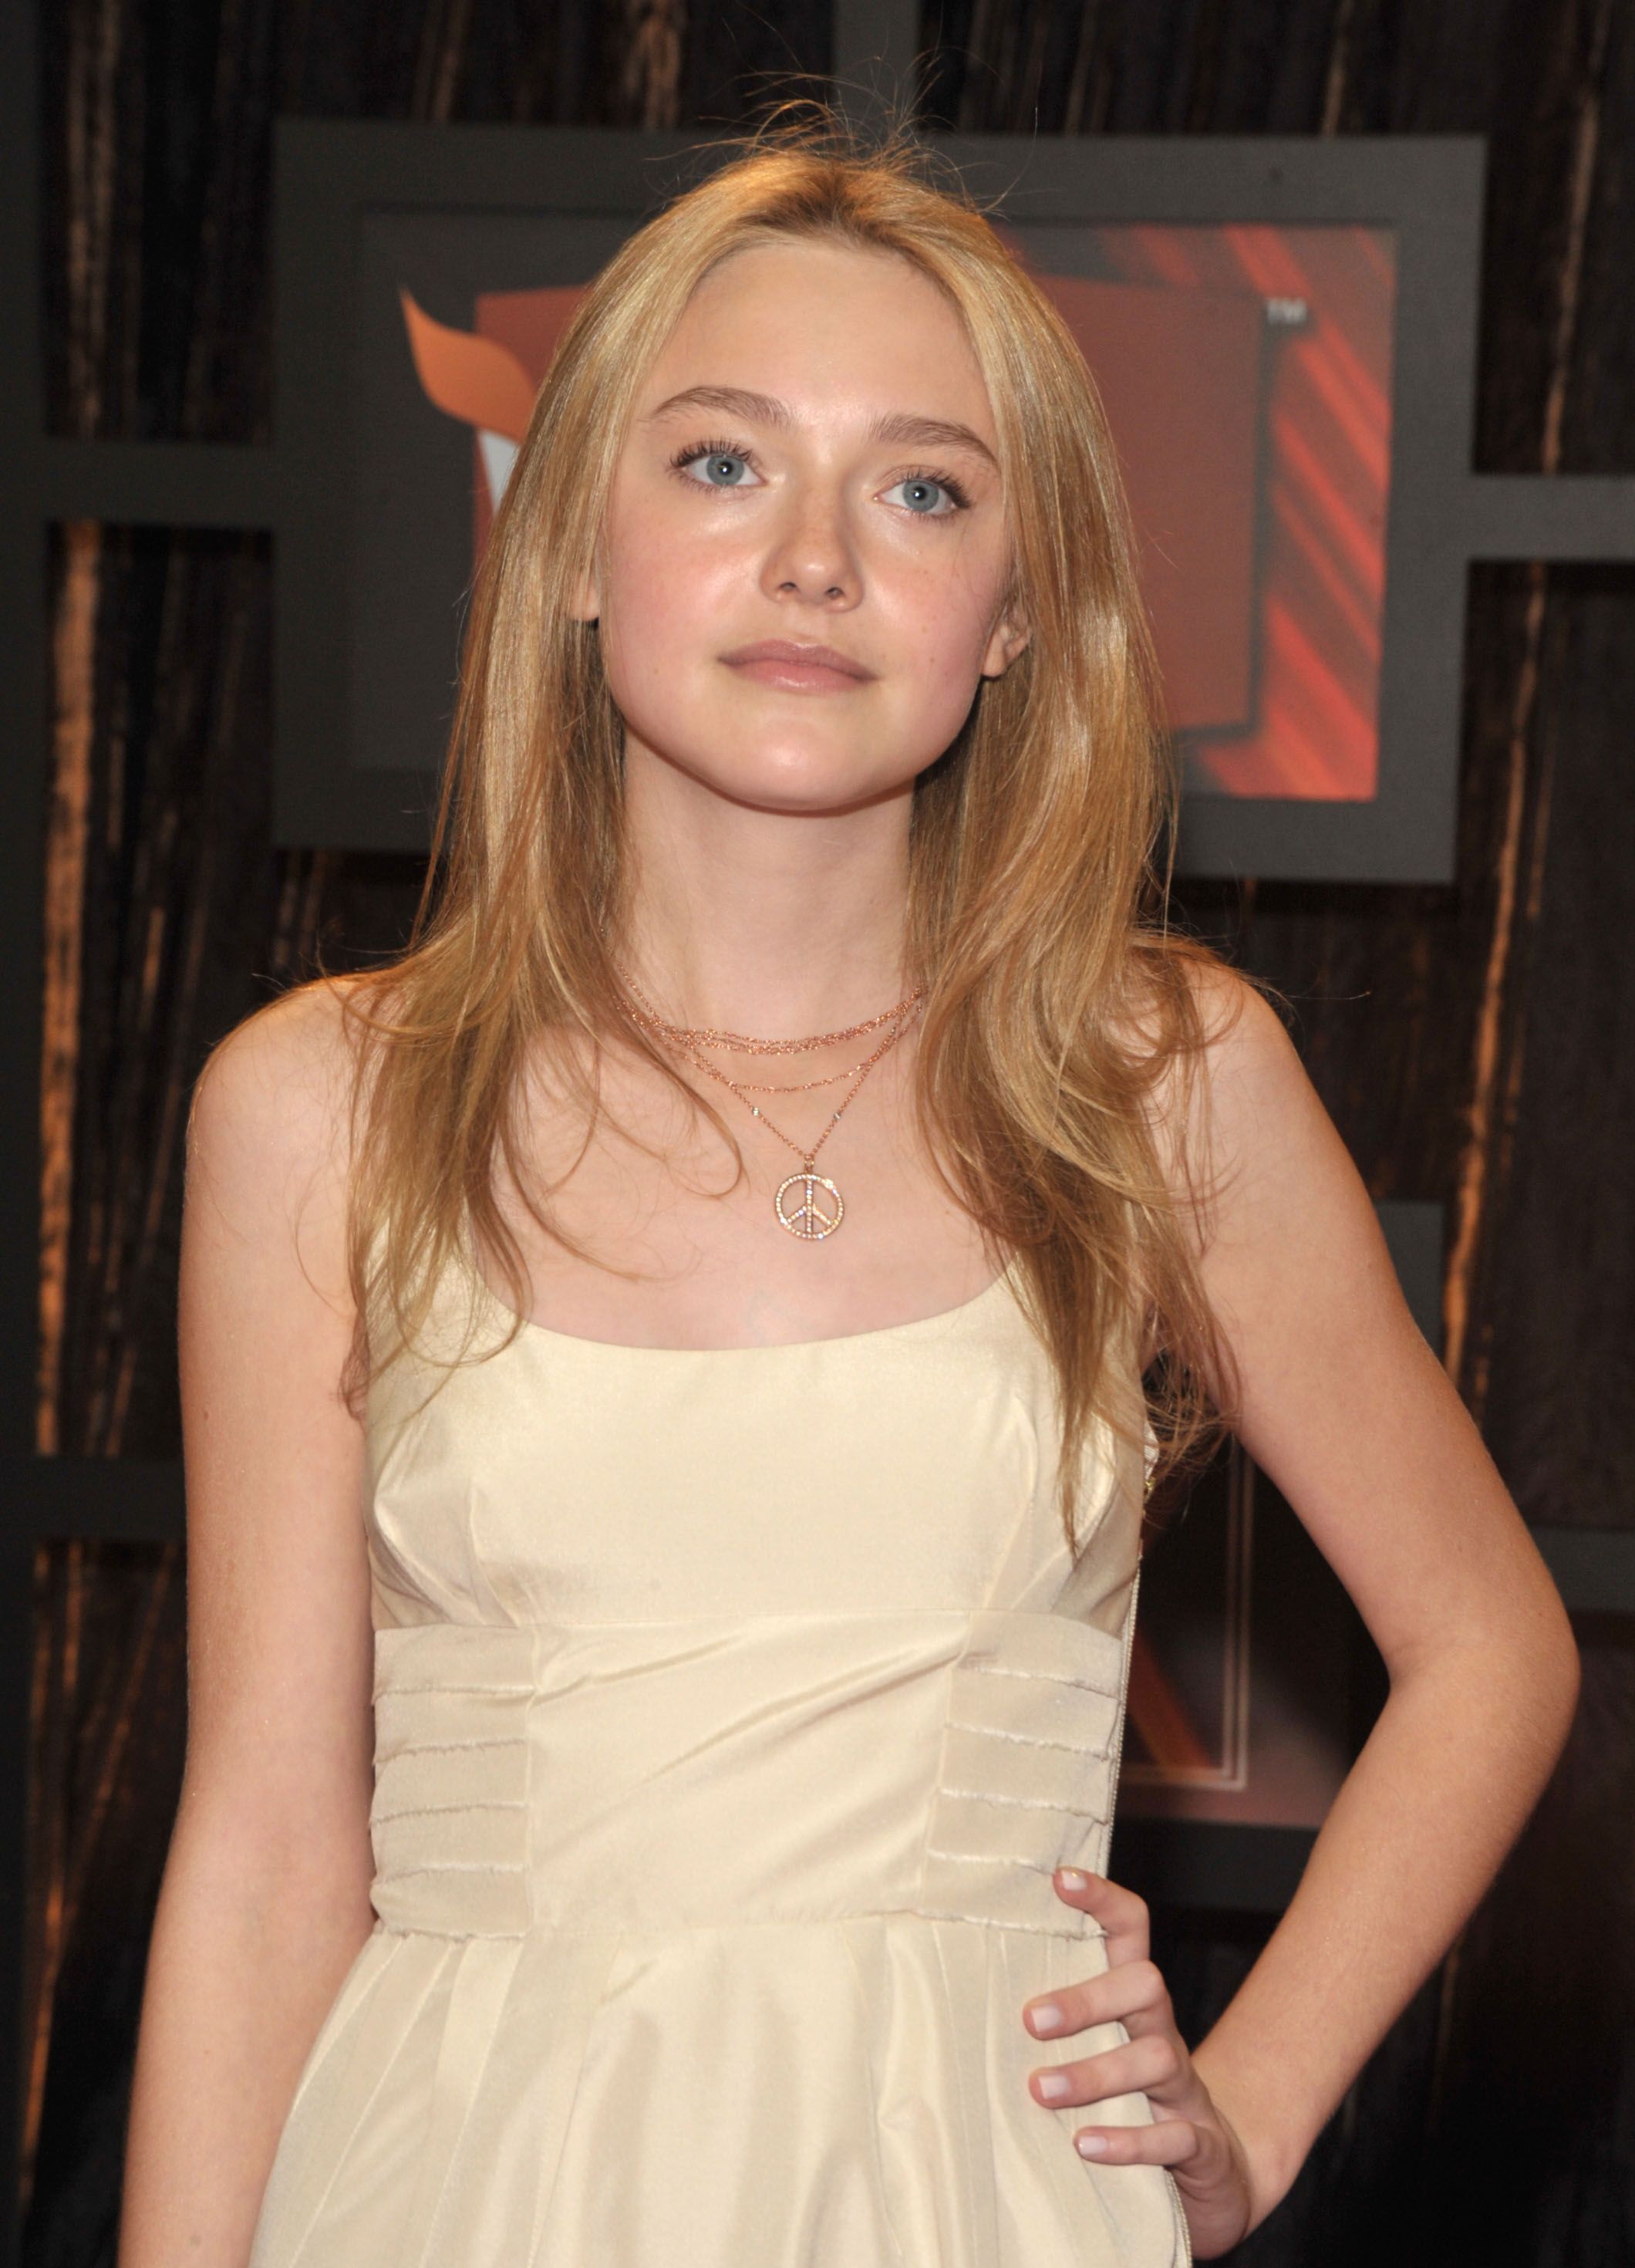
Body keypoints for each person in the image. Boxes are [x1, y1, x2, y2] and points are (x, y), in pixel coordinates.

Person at [116, 110, 1579, 2268]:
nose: (816, 559)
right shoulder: (323, 1106)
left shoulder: (1161, 1084)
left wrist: (1251, 2119)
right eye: (724, 462)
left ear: (1017, 615)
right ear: (570, 542)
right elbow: (261, 1850)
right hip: (455, 2190)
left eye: (922, 490)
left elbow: (1491, 1643)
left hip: (979, 2196)